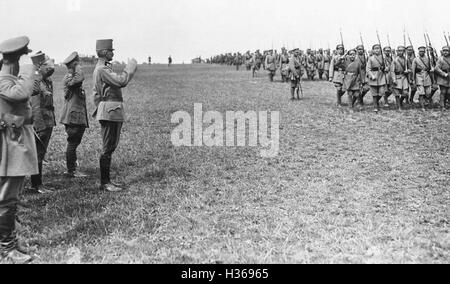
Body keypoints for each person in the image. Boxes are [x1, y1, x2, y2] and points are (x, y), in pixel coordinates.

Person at [0, 36, 38, 263]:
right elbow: (22, 94)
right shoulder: (4, 79)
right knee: (6, 198)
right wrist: (29, 68)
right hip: (9, 146)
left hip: (13, 142)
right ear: (17, 57)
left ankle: (11, 243)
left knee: (10, 197)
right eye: (24, 56)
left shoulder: (9, 78)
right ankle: (7, 249)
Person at [93, 39, 138, 192]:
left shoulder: (102, 68)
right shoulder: (102, 69)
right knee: (108, 147)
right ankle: (105, 183)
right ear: (105, 53)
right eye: (111, 50)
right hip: (110, 111)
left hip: (109, 110)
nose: (113, 53)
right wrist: (130, 68)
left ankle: (107, 181)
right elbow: (121, 81)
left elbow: (96, 95)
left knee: (110, 146)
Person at [29, 52, 56, 194]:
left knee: (40, 152)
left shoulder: (46, 80)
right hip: (41, 122)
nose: (50, 67)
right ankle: (37, 185)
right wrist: (39, 125)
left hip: (48, 119)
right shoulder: (36, 80)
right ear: (39, 66)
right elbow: (35, 106)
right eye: (46, 64)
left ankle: (38, 183)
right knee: (38, 153)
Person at [60, 52, 89, 178]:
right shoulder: (71, 78)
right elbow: (79, 78)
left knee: (73, 142)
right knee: (72, 143)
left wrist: (75, 67)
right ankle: (72, 170)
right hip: (74, 117)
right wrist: (77, 66)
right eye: (77, 62)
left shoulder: (70, 77)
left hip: (73, 115)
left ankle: (72, 168)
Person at [367, 44, 389, 113]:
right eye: (375, 49)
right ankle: (375, 106)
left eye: (378, 48)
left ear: (380, 50)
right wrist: (371, 75)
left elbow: (387, 67)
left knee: (381, 92)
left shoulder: (383, 58)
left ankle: (376, 103)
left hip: (381, 76)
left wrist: (386, 68)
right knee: (374, 93)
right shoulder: (371, 58)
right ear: (373, 50)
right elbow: (368, 69)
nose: (377, 50)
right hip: (374, 76)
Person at [412, 46, 434, 111]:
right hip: (419, 77)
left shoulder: (428, 59)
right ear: (418, 52)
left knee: (428, 93)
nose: (421, 52)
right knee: (421, 92)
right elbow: (413, 70)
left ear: (424, 52)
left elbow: (430, 68)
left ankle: (423, 100)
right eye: (420, 51)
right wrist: (413, 79)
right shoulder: (415, 59)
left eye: (423, 51)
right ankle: (422, 106)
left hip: (427, 77)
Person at [390, 46, 410, 110]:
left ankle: (400, 102)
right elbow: (392, 71)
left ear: (404, 52)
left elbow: (410, 68)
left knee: (405, 93)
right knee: (397, 94)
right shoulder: (395, 60)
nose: (400, 52)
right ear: (397, 52)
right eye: (399, 51)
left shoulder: (406, 60)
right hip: (397, 77)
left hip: (404, 77)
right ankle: (399, 106)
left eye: (402, 51)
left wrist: (408, 71)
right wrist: (394, 79)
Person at [434, 46, 450, 110]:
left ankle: (447, 103)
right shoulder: (440, 59)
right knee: (443, 92)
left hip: (449, 77)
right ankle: (442, 106)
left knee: (449, 92)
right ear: (442, 52)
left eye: (447, 51)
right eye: (444, 51)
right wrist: (443, 74)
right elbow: (436, 68)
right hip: (442, 78)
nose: (445, 52)